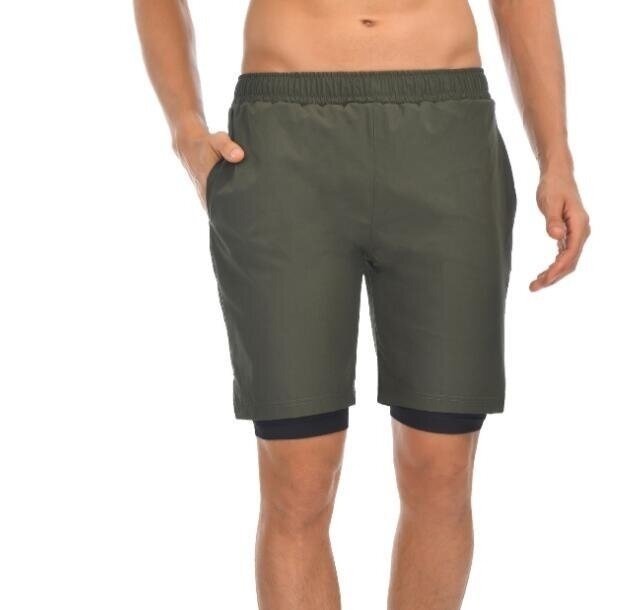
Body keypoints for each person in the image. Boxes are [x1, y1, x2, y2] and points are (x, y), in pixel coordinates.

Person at [134, 1, 590, 608]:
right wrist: (186, 131)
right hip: (284, 142)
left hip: (446, 133)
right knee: (297, 479)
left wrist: (556, 156)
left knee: (441, 468)